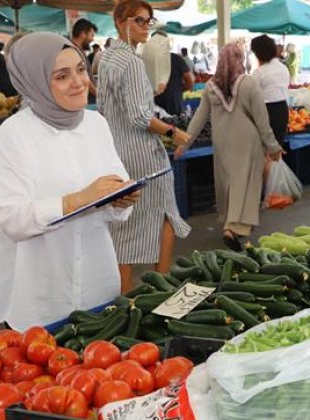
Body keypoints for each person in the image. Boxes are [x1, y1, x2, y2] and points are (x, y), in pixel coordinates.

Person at [0, 32, 139, 331]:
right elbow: (12, 220)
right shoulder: (14, 135)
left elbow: (113, 194)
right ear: (33, 81)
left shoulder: (96, 124)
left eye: (81, 69)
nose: (79, 82)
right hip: (39, 299)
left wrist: (120, 199)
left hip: (98, 286)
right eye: (62, 76)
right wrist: (80, 199)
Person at [98, 0, 191, 292]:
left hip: (116, 151)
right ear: (120, 22)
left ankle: (124, 297)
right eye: (138, 20)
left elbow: (111, 107)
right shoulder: (132, 61)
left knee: (122, 224)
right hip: (142, 152)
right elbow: (139, 116)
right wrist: (174, 132)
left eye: (148, 21)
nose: (145, 27)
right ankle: (160, 288)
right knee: (166, 214)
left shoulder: (106, 58)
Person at [181, 43, 284, 251]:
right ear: (241, 58)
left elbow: (199, 118)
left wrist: (184, 142)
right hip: (248, 141)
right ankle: (233, 228)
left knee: (228, 183)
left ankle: (231, 224)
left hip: (222, 142)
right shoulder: (249, 83)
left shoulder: (210, 86)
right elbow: (262, 119)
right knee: (245, 183)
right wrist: (273, 145)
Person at [251, 35, 290, 146]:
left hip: (266, 111)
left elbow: (252, 95)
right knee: (277, 148)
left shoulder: (259, 73)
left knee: (264, 150)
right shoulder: (284, 68)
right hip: (282, 110)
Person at [154, 34, 195, 116]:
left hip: (157, 105)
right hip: (174, 103)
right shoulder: (177, 58)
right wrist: (179, 90)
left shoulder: (148, 60)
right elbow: (191, 80)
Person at [71, 19, 98, 101]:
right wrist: (99, 94)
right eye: (91, 35)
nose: (92, 39)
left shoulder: (78, 50)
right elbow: (83, 78)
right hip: (88, 100)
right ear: (83, 34)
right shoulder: (73, 52)